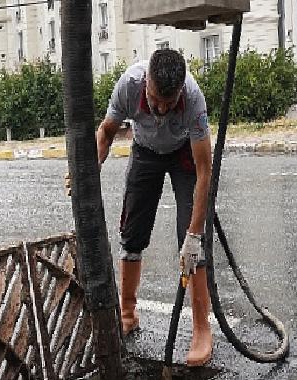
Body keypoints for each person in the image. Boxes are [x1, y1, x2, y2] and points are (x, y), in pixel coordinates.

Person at [97, 49, 213, 366]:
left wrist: (194, 236)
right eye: (155, 99)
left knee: (193, 242)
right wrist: (90, 169)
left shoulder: (193, 99)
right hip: (146, 150)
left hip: (182, 154)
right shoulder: (129, 85)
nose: (161, 108)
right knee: (132, 233)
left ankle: (202, 331)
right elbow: (107, 131)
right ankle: (127, 314)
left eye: (169, 102)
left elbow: (205, 173)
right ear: (146, 81)